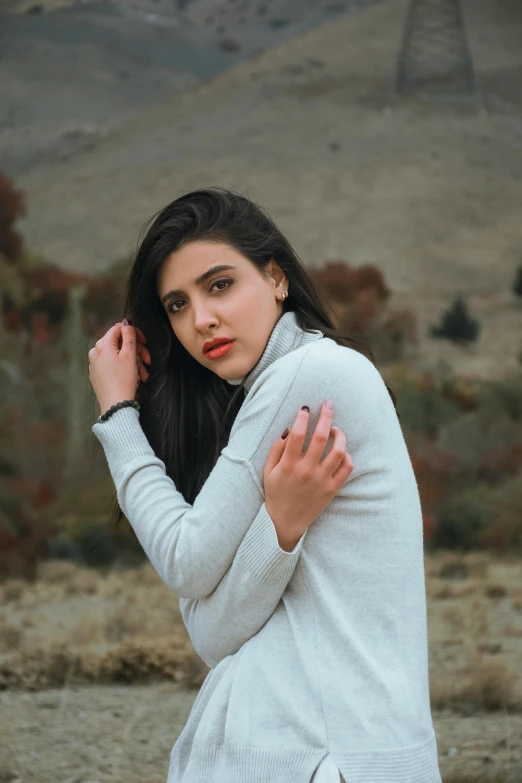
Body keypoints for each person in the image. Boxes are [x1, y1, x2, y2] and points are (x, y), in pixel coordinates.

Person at [88, 187, 442, 783]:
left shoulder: (308, 372)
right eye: (177, 304)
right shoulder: (282, 387)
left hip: (320, 755)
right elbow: (209, 633)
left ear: (276, 278)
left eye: (219, 284)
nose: (201, 319)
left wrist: (118, 416)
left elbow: (185, 561)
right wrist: (279, 532)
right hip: (339, 750)